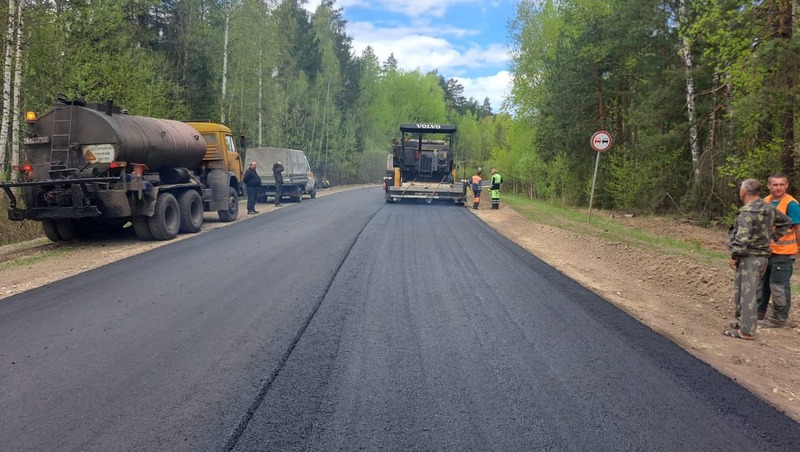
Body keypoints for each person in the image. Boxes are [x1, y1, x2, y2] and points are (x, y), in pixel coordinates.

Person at [724, 179, 791, 340]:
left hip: (749, 257)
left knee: (748, 294)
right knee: (745, 290)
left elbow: (742, 239)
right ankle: (743, 322)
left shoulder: (747, 212)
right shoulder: (768, 208)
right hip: (763, 257)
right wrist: (772, 237)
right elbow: (786, 221)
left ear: (744, 191)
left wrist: (734, 256)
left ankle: (746, 331)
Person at [758, 173, 800, 327]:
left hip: (784, 252)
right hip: (767, 251)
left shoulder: (791, 204)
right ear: (769, 186)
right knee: (763, 283)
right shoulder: (766, 201)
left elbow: (797, 227)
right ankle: (758, 313)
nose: (778, 188)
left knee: (779, 285)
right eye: (775, 185)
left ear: (786, 185)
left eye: (781, 184)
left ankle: (779, 319)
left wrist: (798, 247)